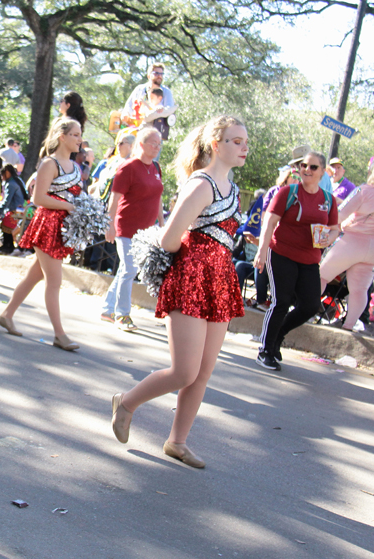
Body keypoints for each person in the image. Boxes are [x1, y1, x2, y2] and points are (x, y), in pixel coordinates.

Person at [110, 115, 248, 468]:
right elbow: (170, 238)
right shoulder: (201, 184)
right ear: (216, 145)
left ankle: (177, 441)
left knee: (203, 372)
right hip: (191, 277)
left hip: (219, 280)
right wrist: (198, 256)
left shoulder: (231, 188)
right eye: (236, 141)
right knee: (184, 371)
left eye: (245, 141)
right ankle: (126, 402)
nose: (244, 147)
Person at [0, 117, 83, 350]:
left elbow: (76, 198)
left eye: (80, 134)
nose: (79, 139)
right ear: (62, 137)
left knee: (36, 275)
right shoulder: (49, 164)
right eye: (75, 134)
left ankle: (7, 314)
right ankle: (59, 334)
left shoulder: (76, 167)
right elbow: (38, 198)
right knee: (54, 280)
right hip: (47, 225)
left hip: (64, 228)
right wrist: (68, 207)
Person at [254, 151, 338, 371]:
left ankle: (279, 334)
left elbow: (335, 228)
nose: (306, 170)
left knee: (310, 305)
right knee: (281, 301)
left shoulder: (328, 200)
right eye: (303, 166)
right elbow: (269, 223)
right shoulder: (288, 192)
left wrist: (327, 239)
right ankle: (265, 350)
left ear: (322, 172)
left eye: (312, 167)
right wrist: (261, 251)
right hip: (281, 252)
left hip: (310, 258)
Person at [318, 158, 374, 333]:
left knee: (322, 275)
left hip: (353, 241)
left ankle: (305, 311)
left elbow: (339, 214)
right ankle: (348, 325)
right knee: (359, 289)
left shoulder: (364, 191)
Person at [100, 127, 165, 331]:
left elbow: (158, 198)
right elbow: (115, 198)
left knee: (125, 270)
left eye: (159, 144)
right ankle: (123, 315)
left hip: (147, 231)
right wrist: (110, 224)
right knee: (130, 269)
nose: (157, 147)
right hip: (127, 227)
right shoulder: (128, 167)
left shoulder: (156, 168)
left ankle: (107, 308)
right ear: (142, 144)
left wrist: (162, 224)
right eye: (153, 143)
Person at [120, 63, 176, 136]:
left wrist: (159, 110)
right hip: (135, 130)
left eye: (161, 74)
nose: (159, 76)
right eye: (156, 73)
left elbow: (169, 109)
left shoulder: (166, 92)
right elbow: (129, 105)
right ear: (149, 76)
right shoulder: (139, 89)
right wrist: (126, 114)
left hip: (154, 133)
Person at [0, 164, 27, 254]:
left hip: (14, 210)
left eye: (3, 175)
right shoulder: (18, 180)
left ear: (7, 173)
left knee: (6, 223)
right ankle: (7, 245)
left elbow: (7, 200)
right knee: (8, 222)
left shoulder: (11, 184)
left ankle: (8, 246)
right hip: (21, 210)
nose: (2, 177)